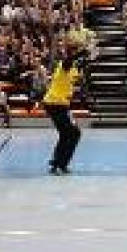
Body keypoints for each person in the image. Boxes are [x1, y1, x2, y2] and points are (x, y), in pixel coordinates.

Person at [44, 37, 85, 175]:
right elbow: (70, 60)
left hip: (62, 104)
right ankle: (59, 164)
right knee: (71, 133)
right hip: (54, 103)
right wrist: (83, 51)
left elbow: (76, 78)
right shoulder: (64, 65)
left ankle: (58, 163)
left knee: (70, 133)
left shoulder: (73, 68)